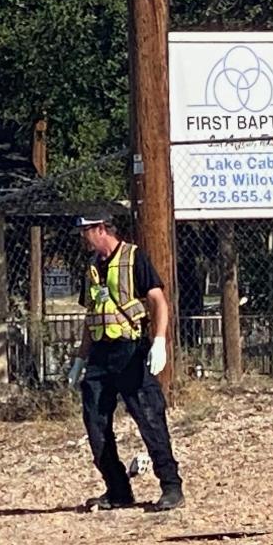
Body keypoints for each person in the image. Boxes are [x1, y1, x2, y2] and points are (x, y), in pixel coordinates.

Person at [66, 212, 184, 511]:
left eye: (87, 230)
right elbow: (91, 315)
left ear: (102, 229)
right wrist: (80, 360)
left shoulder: (134, 258)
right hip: (100, 355)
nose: (83, 237)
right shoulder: (92, 267)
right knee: (95, 422)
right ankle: (117, 490)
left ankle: (171, 487)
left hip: (130, 351)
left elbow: (158, 301)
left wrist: (159, 341)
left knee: (149, 418)